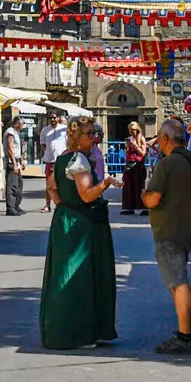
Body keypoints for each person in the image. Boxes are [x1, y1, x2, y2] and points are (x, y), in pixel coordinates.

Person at [39, 115, 123, 349]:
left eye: (95, 133)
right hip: (82, 224)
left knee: (65, 274)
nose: (94, 138)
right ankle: (78, 333)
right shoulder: (79, 160)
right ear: (76, 137)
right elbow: (87, 195)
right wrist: (105, 183)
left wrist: (64, 204)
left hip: (66, 220)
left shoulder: (63, 158)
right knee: (79, 277)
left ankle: (66, 330)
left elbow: (51, 187)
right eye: (89, 134)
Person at [143, 118, 191, 353]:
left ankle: (185, 335)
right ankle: (185, 331)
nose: (157, 142)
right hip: (187, 227)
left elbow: (152, 199)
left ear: (166, 139)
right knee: (178, 280)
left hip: (169, 230)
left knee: (177, 282)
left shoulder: (167, 165)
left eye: (159, 138)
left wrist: (143, 194)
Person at [40, 114, 68, 213]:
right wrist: (47, 154)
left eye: (55, 117)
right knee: (49, 184)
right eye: (51, 118)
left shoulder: (64, 129)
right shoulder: (45, 130)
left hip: (62, 160)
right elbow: (43, 144)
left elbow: (68, 143)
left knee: (62, 183)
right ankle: (47, 205)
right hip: (50, 160)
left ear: (58, 118)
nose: (53, 119)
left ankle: (61, 204)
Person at [120, 122, 149, 215]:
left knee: (139, 186)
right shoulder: (129, 139)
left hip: (138, 165)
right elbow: (127, 154)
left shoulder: (142, 139)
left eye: (132, 130)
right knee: (128, 186)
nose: (131, 133)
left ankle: (141, 206)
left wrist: (136, 146)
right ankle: (128, 207)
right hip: (130, 164)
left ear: (137, 130)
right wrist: (128, 147)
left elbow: (143, 153)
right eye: (129, 131)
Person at [4, 116, 27, 215]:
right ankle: (10, 208)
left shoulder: (16, 132)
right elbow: (10, 149)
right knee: (12, 185)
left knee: (19, 184)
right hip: (11, 161)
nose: (22, 126)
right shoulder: (10, 132)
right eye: (22, 124)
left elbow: (17, 148)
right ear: (18, 123)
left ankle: (16, 205)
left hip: (16, 160)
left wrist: (21, 160)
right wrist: (14, 163)